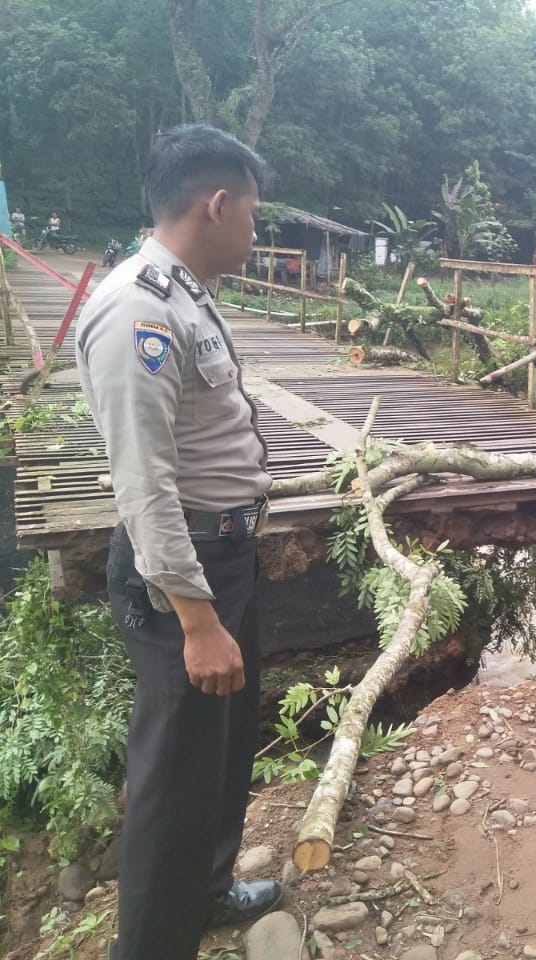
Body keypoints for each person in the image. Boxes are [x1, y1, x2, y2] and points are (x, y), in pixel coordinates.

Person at [75, 124, 280, 960]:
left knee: (223, 746)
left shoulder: (185, 293)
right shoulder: (137, 311)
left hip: (225, 555)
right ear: (217, 203)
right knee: (172, 773)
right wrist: (196, 620)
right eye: (255, 215)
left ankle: (210, 890)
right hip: (182, 576)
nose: (257, 233)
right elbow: (144, 486)